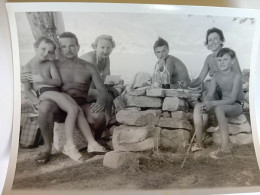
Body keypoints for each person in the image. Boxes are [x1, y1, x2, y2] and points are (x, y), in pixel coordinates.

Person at [34, 32, 108, 164]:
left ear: (78, 47)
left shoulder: (89, 67)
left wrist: (100, 102)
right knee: (45, 106)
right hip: (59, 106)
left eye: (71, 46)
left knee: (99, 115)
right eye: (63, 46)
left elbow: (102, 90)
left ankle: (96, 141)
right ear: (59, 48)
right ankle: (47, 149)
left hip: (81, 105)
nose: (68, 50)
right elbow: (39, 79)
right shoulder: (53, 65)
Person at [192, 48, 244, 159]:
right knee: (198, 106)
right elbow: (210, 94)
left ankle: (226, 149)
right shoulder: (216, 75)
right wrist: (207, 101)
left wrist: (213, 103)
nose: (222, 62)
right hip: (222, 103)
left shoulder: (236, 76)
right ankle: (199, 143)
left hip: (236, 105)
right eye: (219, 60)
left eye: (225, 59)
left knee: (219, 109)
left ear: (232, 61)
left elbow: (232, 99)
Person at [189, 27, 242, 99]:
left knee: (207, 88)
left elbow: (238, 75)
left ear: (221, 41)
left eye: (215, 39)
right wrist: (188, 86)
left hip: (230, 92)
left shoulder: (229, 54)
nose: (212, 42)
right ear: (207, 44)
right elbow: (200, 78)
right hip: (214, 90)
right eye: (210, 40)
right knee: (206, 89)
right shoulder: (209, 58)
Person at [80, 35, 119, 124]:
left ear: (112, 48)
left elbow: (106, 77)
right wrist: (109, 88)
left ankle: (107, 120)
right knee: (105, 94)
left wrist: (111, 83)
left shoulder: (105, 58)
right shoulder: (90, 60)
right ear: (95, 47)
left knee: (109, 95)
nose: (105, 51)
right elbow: (94, 84)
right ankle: (100, 120)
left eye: (108, 48)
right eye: (102, 47)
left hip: (92, 86)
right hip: (80, 89)